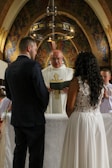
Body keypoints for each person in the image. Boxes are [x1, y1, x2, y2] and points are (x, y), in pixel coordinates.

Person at [5, 36, 49, 168]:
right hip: (34, 119)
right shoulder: (33, 65)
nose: (35, 52)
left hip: (18, 118)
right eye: (35, 49)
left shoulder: (9, 69)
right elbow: (42, 93)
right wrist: (41, 108)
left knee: (19, 152)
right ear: (29, 48)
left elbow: (9, 94)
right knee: (35, 156)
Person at [60, 52, 110, 168]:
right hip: (97, 119)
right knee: (95, 152)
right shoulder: (100, 83)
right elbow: (98, 103)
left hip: (80, 120)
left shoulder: (76, 82)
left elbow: (69, 108)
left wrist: (76, 117)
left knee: (79, 152)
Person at [42, 49, 74, 113]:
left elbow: (76, 89)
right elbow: (38, 88)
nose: (56, 61)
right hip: (49, 102)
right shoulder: (43, 72)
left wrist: (70, 90)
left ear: (62, 58)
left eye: (58, 58)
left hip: (65, 102)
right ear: (50, 59)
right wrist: (44, 90)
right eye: (53, 59)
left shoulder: (70, 72)